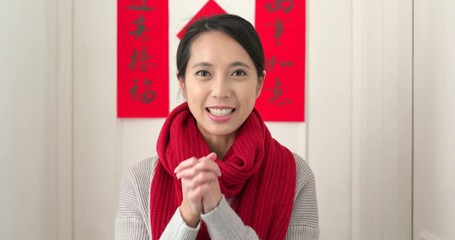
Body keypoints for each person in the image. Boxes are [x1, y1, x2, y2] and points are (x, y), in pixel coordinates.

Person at [115, 14, 319, 240]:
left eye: (238, 73)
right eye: (204, 73)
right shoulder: (141, 180)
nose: (220, 90)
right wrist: (186, 215)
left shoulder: (295, 175)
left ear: (259, 83)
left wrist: (216, 210)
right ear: (182, 83)